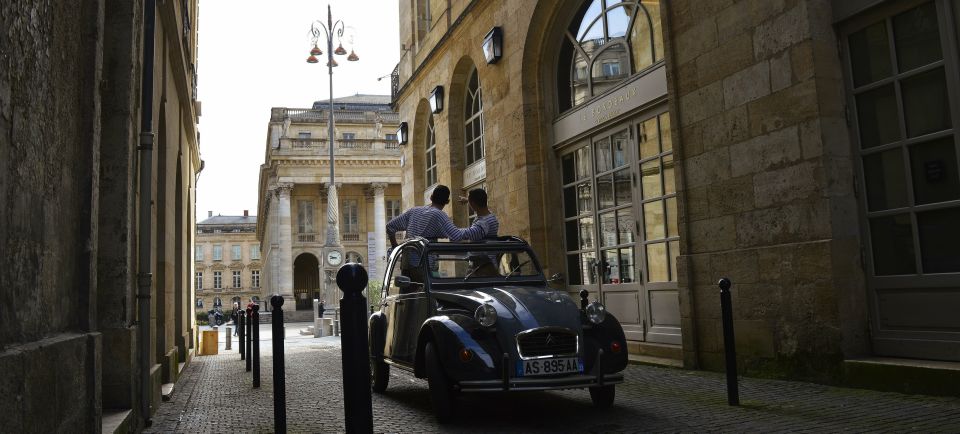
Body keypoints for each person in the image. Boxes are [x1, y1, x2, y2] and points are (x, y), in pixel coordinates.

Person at [386, 185, 491, 281]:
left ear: (431, 197)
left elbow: (390, 226)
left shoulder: (414, 211)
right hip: (424, 265)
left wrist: (395, 246)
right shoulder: (439, 215)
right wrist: (480, 228)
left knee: (407, 296)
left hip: (406, 264)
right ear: (447, 201)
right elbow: (457, 236)